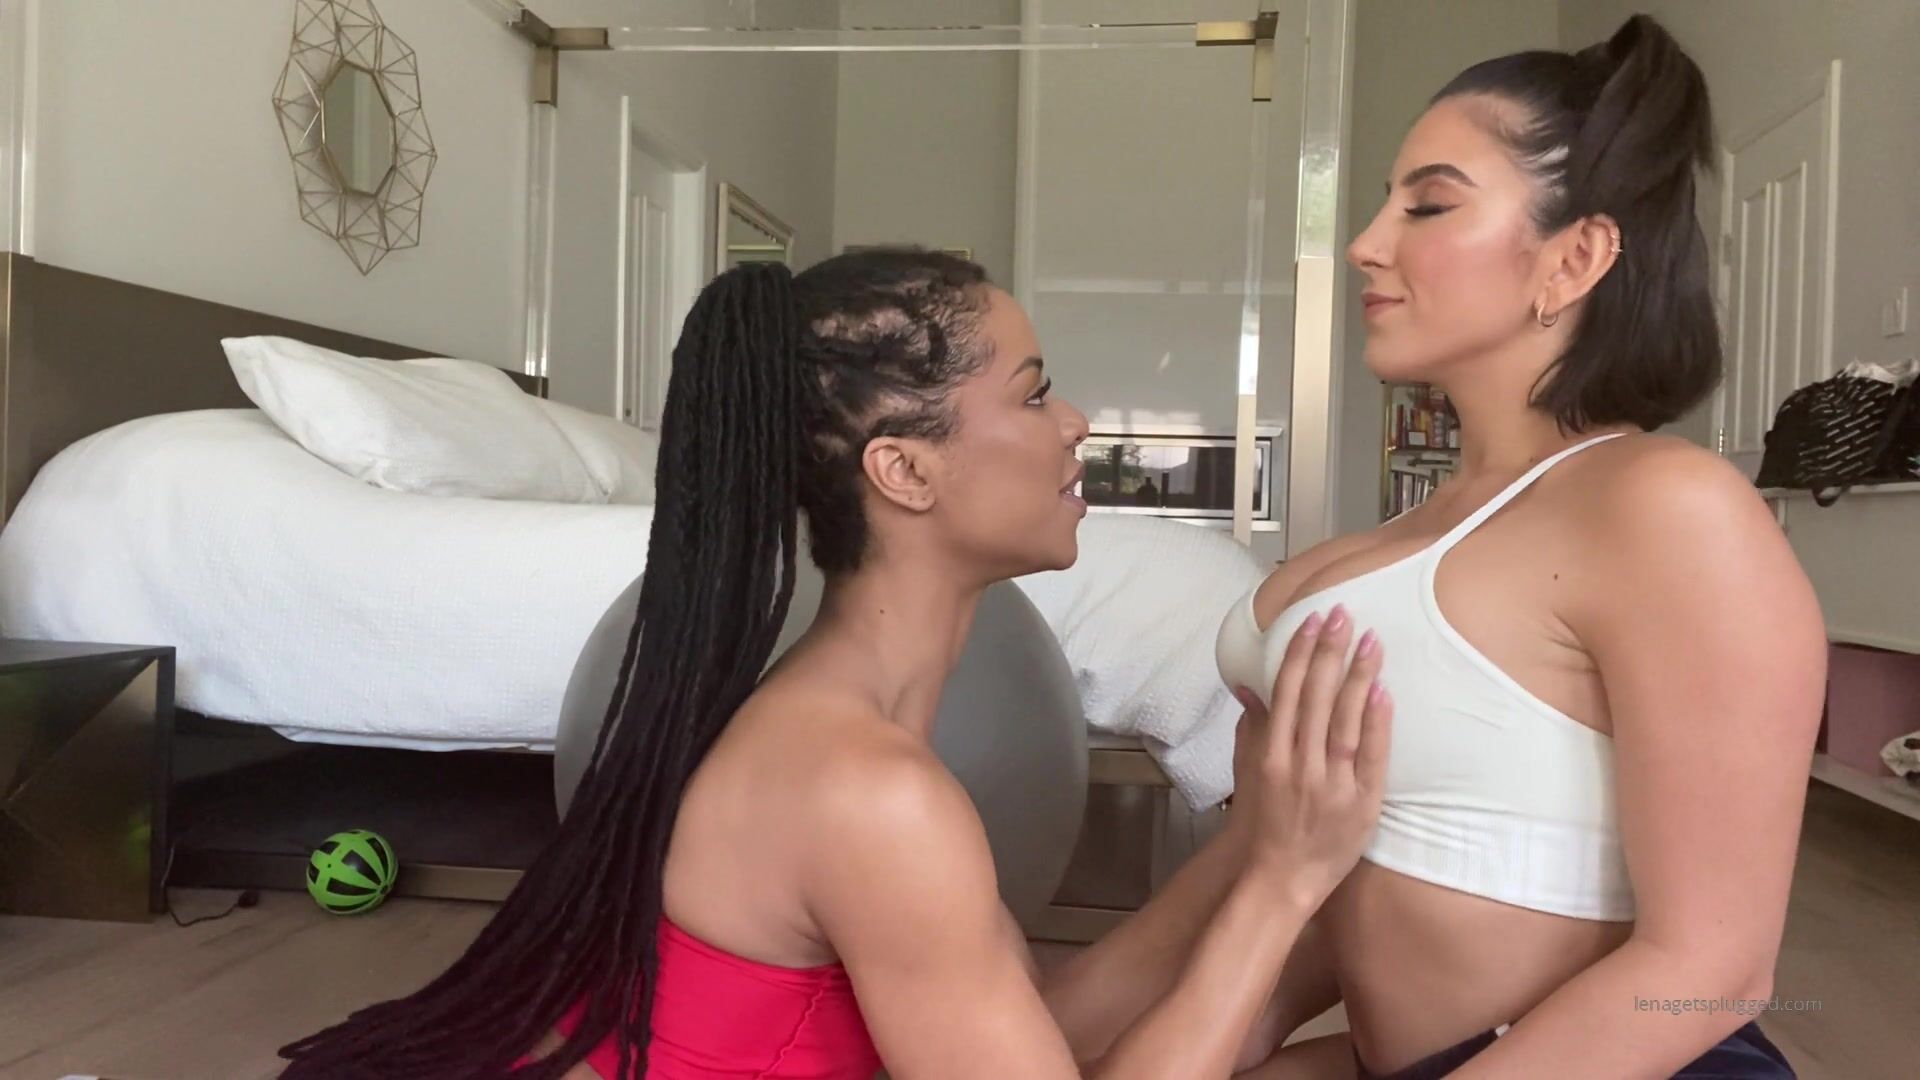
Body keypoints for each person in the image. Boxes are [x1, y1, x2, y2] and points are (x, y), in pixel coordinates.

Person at [277, 248, 1393, 1079]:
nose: (1076, 422)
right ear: (904, 472)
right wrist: (1284, 886)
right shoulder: (869, 793)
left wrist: (1254, 843)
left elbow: (1027, 1022)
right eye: (1033, 390)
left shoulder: (841, 733)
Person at [1216, 14, 1826, 1080]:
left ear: (1576, 257)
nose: (1365, 244)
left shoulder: (1666, 507)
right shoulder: (1425, 522)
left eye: (1428, 205)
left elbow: (1715, 969)